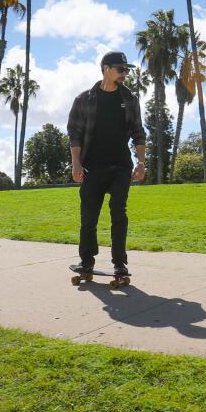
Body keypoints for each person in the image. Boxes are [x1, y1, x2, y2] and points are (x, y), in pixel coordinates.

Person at [66, 51, 147, 278]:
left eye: (126, 70)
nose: (125, 74)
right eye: (120, 69)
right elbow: (75, 134)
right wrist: (76, 164)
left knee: (118, 213)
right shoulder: (84, 99)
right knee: (89, 216)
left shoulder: (129, 99)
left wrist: (140, 163)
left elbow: (138, 133)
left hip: (120, 166)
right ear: (105, 68)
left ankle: (120, 263)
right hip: (92, 167)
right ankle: (86, 261)